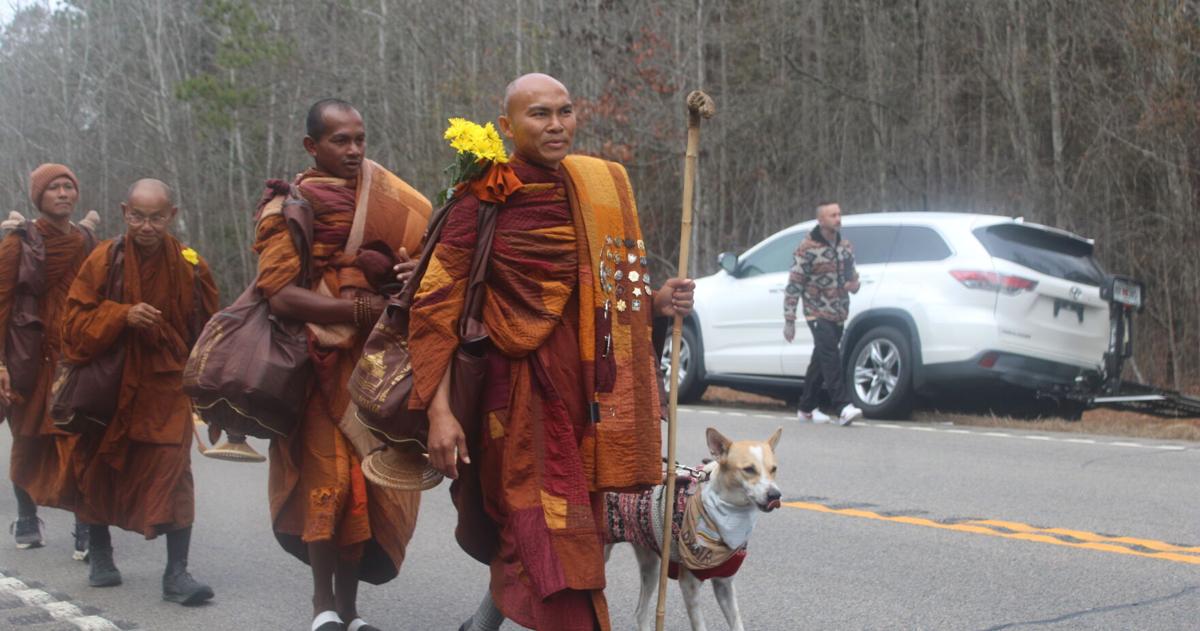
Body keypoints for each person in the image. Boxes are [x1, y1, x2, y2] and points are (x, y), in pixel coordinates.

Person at [408, 73, 694, 631]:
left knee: (560, 523)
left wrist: (658, 302)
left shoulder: (596, 188)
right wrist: (439, 413)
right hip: (513, 398)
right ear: (506, 125)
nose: (557, 125)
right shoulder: (481, 200)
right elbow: (433, 309)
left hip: (584, 392)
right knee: (545, 528)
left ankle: (482, 621)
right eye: (540, 114)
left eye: (565, 111)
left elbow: (616, 291)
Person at [256, 98, 429, 631]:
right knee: (326, 484)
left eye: (360, 139)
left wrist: (407, 274)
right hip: (315, 367)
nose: (354, 150)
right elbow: (279, 293)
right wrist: (358, 307)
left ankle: (350, 613)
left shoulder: (385, 199)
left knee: (367, 488)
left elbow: (419, 267)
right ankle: (321, 607)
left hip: (375, 369)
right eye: (340, 140)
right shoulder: (289, 208)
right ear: (312, 146)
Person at [61, 178, 218, 604]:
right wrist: (121, 315)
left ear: (172, 215)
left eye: (156, 218)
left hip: (165, 386)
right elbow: (73, 327)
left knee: (174, 472)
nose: (146, 227)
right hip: (110, 384)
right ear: (123, 212)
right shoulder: (103, 259)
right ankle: (99, 552)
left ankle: (177, 573)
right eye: (137, 217)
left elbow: (207, 333)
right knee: (98, 464)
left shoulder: (190, 265)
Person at [0, 164, 98, 558]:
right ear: (38, 197)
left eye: (68, 187)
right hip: (30, 357)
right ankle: (26, 516)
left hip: (74, 356)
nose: (62, 193)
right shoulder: (17, 244)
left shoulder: (85, 240)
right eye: (53, 188)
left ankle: (85, 527)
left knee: (77, 440)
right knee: (27, 438)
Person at [783, 201, 863, 425]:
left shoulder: (845, 246)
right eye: (832, 215)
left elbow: (852, 277)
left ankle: (806, 407)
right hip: (816, 312)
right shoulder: (807, 248)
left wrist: (854, 285)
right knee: (831, 357)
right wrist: (789, 319)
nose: (838, 218)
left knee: (821, 357)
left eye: (839, 214)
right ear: (821, 220)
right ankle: (843, 406)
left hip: (839, 312)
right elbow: (794, 284)